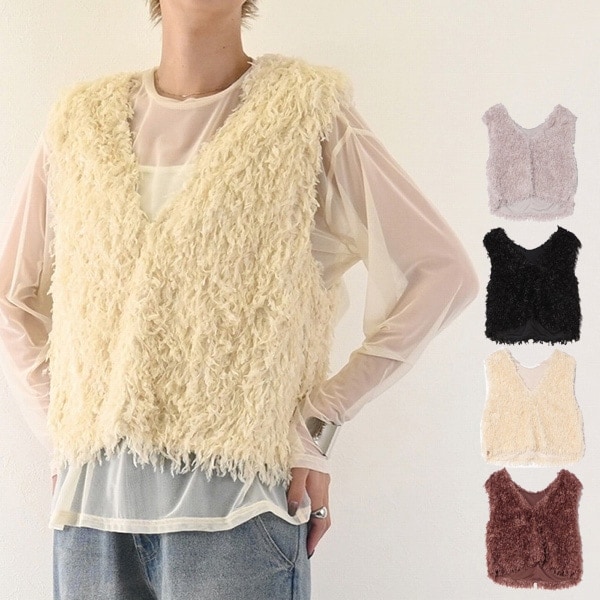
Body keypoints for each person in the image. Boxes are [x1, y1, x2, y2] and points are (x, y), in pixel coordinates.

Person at [0, 1, 478, 599]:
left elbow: (442, 274)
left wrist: (318, 422)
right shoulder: (80, 122)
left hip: (238, 513)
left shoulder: (304, 110)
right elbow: (12, 298)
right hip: (91, 520)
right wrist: (64, 432)